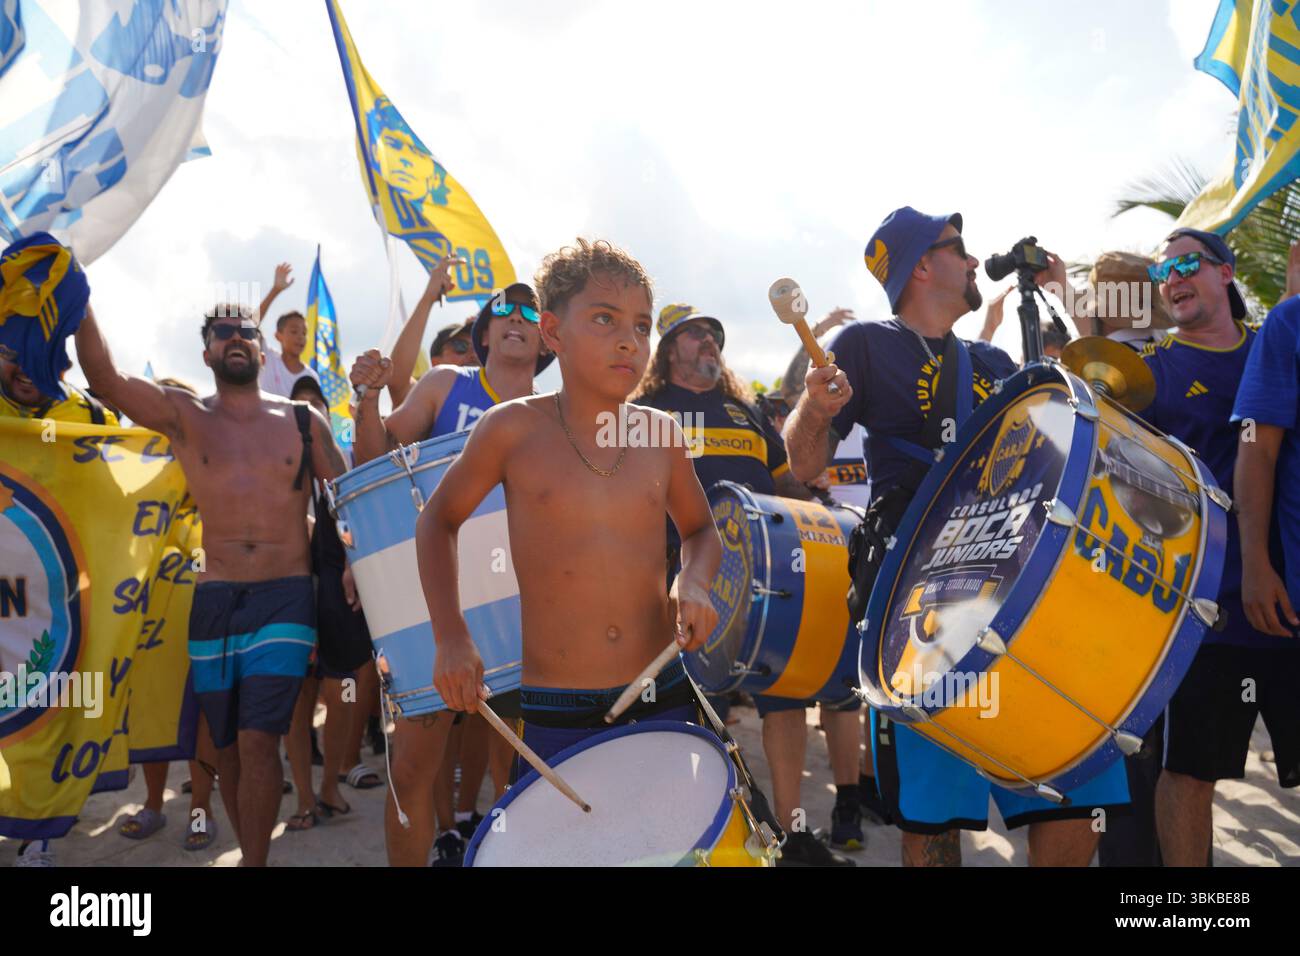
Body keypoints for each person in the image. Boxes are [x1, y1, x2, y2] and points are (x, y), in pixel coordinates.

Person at [784, 206, 1131, 866]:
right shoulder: (863, 344)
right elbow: (803, 464)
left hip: (1021, 597)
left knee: (1071, 790)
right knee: (934, 818)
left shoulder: (996, 360)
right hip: (923, 612)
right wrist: (813, 409)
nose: (975, 262)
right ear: (921, 265)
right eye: (959, 249)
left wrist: (1072, 309)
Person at [419, 240, 721, 802]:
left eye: (641, 325)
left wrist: (694, 581)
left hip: (662, 689)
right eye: (604, 319)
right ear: (553, 333)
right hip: (556, 706)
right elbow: (437, 522)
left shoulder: (660, 434)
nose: (629, 339)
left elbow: (701, 531)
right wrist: (450, 636)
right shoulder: (511, 428)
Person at [75, 302, 348, 867]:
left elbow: (350, 496)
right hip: (215, 598)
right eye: (223, 333)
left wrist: (352, 563)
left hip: (286, 596)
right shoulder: (185, 415)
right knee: (224, 748)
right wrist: (77, 297)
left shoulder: (302, 419)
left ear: (262, 348)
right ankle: (248, 844)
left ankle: (254, 862)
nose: (236, 338)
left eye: (246, 331)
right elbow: (104, 379)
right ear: (207, 353)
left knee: (256, 739)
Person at [631, 303, 857, 866]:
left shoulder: (745, 410)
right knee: (686, 710)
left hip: (769, 580)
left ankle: (788, 832)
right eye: (695, 335)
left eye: (714, 334)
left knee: (785, 698)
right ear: (668, 348)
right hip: (683, 581)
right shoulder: (644, 411)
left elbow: (790, 486)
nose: (709, 341)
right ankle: (695, 838)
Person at [349, 282, 552, 866]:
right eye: (503, 310)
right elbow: (372, 464)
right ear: (482, 334)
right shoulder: (445, 384)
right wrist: (366, 398)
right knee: (414, 764)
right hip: (437, 605)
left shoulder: (555, 412)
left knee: (519, 763)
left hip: (522, 604)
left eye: (530, 311)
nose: (517, 317)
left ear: (545, 339)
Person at [1134, 229, 1300, 866]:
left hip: (1291, 599)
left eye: (1184, 264)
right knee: (1189, 775)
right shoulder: (1148, 376)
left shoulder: (1277, 343)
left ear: (1226, 273)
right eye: (1160, 273)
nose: (1172, 279)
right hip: (1205, 614)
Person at [385, 255, 467, 408]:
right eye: (460, 346)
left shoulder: (500, 403)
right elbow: (397, 381)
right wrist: (428, 298)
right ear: (436, 363)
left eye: (478, 348)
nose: (471, 354)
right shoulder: (427, 403)